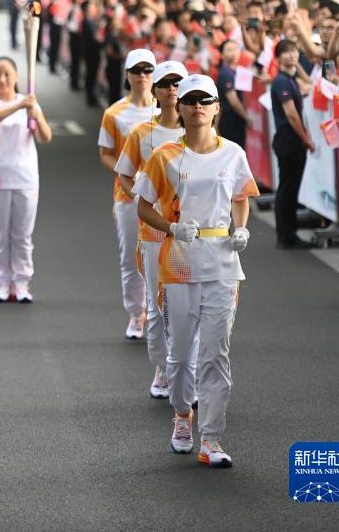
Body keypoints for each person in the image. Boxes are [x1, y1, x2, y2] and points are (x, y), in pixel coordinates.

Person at [135, 74, 259, 468]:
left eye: (205, 99)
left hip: (223, 263)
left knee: (215, 353)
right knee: (182, 353)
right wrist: (171, 227)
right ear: (181, 107)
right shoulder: (165, 156)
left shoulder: (234, 154)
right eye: (190, 99)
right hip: (179, 263)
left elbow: (241, 197)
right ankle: (182, 417)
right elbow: (143, 206)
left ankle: (213, 439)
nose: (197, 105)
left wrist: (240, 228)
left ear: (217, 107)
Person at [115, 60, 187, 399]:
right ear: (155, 90)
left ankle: (185, 370)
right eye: (166, 83)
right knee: (158, 305)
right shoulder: (142, 133)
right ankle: (162, 366)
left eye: (178, 83)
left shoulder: (201, 134)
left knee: (187, 306)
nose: (172, 89)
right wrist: (142, 200)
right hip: (154, 229)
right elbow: (125, 173)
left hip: (190, 234)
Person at [0, 57, 53, 303]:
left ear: (17, 77)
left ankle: (21, 283)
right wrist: (20, 107)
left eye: (7, 74)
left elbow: (45, 137)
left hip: (26, 177)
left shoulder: (29, 102)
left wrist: (35, 113)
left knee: (22, 235)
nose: (3, 79)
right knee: (0, 235)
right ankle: (2, 283)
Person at [99, 48, 159, 339]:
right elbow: (106, 154)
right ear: (127, 75)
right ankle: (137, 314)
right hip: (128, 196)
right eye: (137, 71)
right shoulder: (115, 113)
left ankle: (160, 311)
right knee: (132, 257)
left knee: (164, 256)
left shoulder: (167, 111)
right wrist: (129, 174)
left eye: (148, 70)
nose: (143, 76)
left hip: (164, 198)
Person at [269, 39, 315, 249]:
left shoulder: (291, 79)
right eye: (287, 52)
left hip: (290, 139)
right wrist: (306, 139)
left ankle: (288, 234)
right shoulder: (282, 81)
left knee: (289, 188)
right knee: (288, 189)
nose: (293, 55)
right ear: (278, 58)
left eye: (295, 51)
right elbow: (292, 114)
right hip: (289, 140)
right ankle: (287, 236)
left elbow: (311, 86)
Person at [216, 40, 250, 149]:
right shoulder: (225, 73)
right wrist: (247, 118)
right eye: (229, 50)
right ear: (222, 55)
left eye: (235, 49)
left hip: (237, 121)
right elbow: (233, 101)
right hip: (230, 121)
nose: (233, 53)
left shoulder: (236, 71)